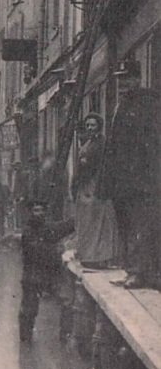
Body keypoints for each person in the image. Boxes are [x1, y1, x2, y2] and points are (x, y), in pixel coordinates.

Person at [99, 58, 160, 289]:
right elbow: (113, 147)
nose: (124, 83)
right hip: (122, 182)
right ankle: (131, 270)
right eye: (120, 79)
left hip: (140, 182)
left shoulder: (149, 103)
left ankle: (140, 272)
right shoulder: (121, 105)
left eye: (128, 79)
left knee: (140, 228)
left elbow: (153, 145)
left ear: (138, 79)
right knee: (125, 227)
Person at [18, 198, 75, 343]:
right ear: (30, 213)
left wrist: (79, 217)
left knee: (67, 300)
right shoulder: (27, 232)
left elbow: (65, 226)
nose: (40, 214)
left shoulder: (48, 228)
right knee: (29, 309)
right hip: (33, 274)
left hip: (49, 274)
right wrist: (57, 251)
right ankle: (25, 338)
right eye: (36, 210)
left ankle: (65, 336)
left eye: (42, 210)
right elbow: (36, 251)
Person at [72, 114, 117, 268]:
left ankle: (98, 257)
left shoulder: (102, 142)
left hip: (95, 185)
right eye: (88, 125)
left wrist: (86, 162)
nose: (90, 128)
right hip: (85, 185)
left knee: (97, 222)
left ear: (99, 126)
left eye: (93, 125)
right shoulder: (89, 142)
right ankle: (88, 255)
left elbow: (100, 164)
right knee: (86, 221)